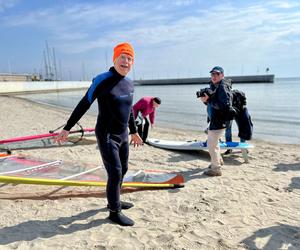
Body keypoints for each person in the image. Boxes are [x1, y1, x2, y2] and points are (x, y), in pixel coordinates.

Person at [55, 42, 143, 226]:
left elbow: (130, 111)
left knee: (124, 169)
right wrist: (67, 128)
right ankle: (114, 211)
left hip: (123, 135)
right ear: (115, 59)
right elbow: (84, 103)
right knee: (116, 171)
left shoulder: (129, 83)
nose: (126, 61)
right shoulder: (102, 80)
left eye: (129, 59)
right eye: (122, 58)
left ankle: (115, 199)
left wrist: (134, 132)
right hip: (107, 134)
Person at [199, 66, 233, 177]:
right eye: (212, 74)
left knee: (211, 145)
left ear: (222, 75)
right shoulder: (215, 86)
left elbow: (224, 106)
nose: (214, 76)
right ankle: (218, 161)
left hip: (220, 121)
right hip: (217, 120)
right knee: (215, 143)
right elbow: (214, 104)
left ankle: (216, 169)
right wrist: (206, 101)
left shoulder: (222, 87)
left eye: (217, 74)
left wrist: (208, 100)